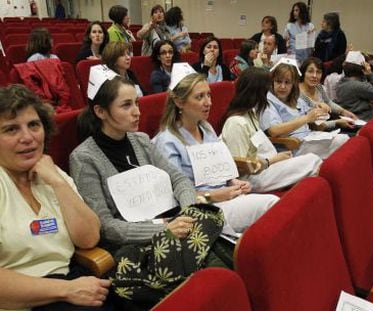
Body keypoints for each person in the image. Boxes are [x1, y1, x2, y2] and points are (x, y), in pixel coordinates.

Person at [70, 66, 228, 307]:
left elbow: (179, 179)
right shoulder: (84, 158)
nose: (136, 112)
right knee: (208, 283)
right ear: (101, 111)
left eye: (137, 103)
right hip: (136, 246)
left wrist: (187, 212)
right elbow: (106, 226)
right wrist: (163, 231)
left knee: (227, 266)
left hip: (178, 226)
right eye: (126, 106)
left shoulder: (141, 141)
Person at [0, 84, 110, 311]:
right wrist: (67, 291)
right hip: (23, 300)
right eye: (11, 129)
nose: (28, 137)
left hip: (72, 281)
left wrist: (58, 182)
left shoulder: (51, 173)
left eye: (33, 125)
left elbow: (89, 239)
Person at [153, 66, 279, 233]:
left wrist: (234, 182)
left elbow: (222, 169)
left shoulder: (206, 128)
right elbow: (177, 196)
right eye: (199, 97)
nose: (208, 102)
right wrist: (214, 195)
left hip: (226, 197)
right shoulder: (167, 142)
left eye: (209, 95)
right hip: (203, 208)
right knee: (272, 205)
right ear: (179, 102)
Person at [220, 67, 321, 192]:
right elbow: (241, 167)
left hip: (268, 165)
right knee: (313, 161)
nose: (270, 94)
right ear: (258, 92)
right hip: (252, 177)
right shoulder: (236, 123)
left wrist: (277, 158)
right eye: (267, 89)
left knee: (311, 164)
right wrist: (272, 160)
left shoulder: (251, 113)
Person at [260, 58, 349, 159]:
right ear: (272, 82)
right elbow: (274, 131)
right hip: (293, 146)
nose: (283, 86)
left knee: (345, 140)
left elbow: (315, 125)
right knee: (342, 142)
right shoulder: (267, 101)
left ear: (293, 84)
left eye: (287, 82)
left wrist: (318, 113)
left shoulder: (295, 98)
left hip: (310, 137)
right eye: (278, 82)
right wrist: (306, 118)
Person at [299, 57, 357, 130]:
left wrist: (343, 111)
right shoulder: (298, 93)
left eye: (318, 72)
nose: (314, 76)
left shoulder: (319, 87)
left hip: (327, 125)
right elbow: (313, 125)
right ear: (303, 73)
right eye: (310, 71)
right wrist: (337, 122)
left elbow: (328, 102)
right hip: (313, 130)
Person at [336, 51, 373, 121]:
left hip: (358, 113)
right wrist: (370, 74)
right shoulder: (357, 86)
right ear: (362, 69)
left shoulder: (343, 80)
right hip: (362, 119)